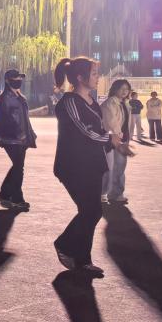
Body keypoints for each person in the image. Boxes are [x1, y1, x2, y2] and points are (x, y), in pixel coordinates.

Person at [52, 57, 129, 277]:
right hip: (73, 166)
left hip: (92, 164)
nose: (98, 77)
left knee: (91, 212)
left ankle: (82, 259)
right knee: (91, 211)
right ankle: (65, 245)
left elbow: (99, 130)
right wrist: (109, 138)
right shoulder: (69, 102)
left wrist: (116, 142)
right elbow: (85, 130)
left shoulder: (92, 102)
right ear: (80, 77)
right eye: (94, 73)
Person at [0, 69, 36, 211]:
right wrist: (16, 133)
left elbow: (24, 118)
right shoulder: (5, 98)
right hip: (11, 139)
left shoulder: (19, 97)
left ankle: (4, 194)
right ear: (7, 81)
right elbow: (3, 120)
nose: (19, 80)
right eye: (15, 78)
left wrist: (30, 134)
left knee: (18, 167)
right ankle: (17, 198)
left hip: (22, 138)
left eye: (20, 78)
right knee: (19, 168)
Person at [100, 79, 132, 204]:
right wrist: (118, 140)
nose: (124, 91)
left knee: (120, 168)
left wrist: (126, 139)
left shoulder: (124, 103)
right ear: (115, 89)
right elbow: (111, 122)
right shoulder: (110, 103)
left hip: (122, 139)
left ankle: (116, 194)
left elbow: (126, 123)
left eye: (127, 89)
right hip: (112, 140)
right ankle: (102, 193)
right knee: (108, 168)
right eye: (121, 88)